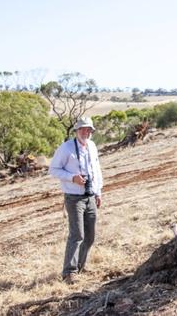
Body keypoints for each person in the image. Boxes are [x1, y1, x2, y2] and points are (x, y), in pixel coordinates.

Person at [49, 116, 103, 284]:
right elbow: (53, 169)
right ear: (76, 131)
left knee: (90, 236)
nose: (85, 132)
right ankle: (69, 272)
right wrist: (72, 178)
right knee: (77, 234)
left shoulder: (92, 146)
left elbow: (97, 170)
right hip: (74, 197)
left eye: (88, 129)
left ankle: (80, 266)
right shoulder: (66, 148)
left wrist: (98, 192)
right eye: (82, 129)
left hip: (90, 195)